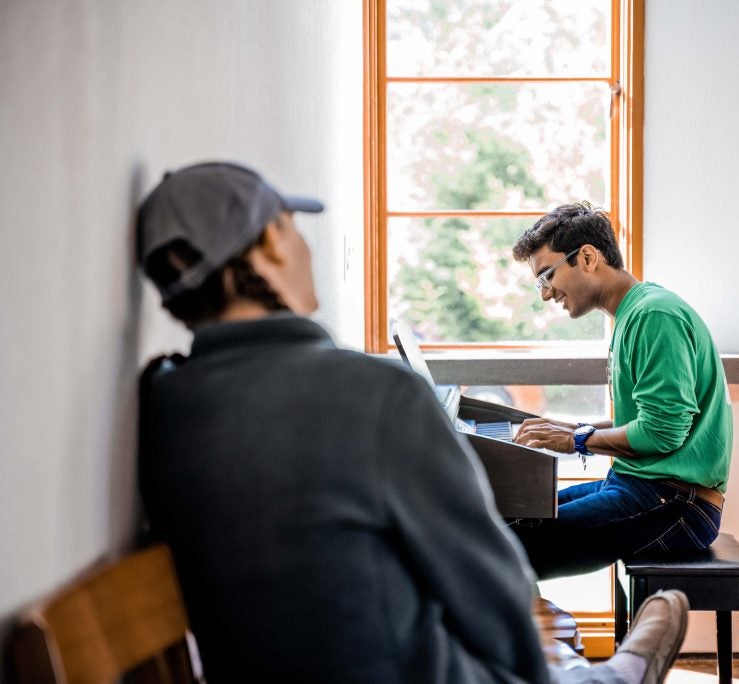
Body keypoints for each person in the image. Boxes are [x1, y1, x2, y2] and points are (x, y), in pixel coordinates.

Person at [136, 162, 689, 683]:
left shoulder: (167, 399)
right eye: (290, 227)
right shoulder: (377, 395)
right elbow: (489, 590)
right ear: (266, 250)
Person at [510, 202, 733, 580]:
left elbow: (662, 433)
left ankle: (530, 640)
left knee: (506, 544)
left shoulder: (654, 316)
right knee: (510, 517)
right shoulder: (634, 313)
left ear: (587, 256)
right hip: (641, 486)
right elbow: (644, 420)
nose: (546, 294)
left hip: (678, 504)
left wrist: (577, 440)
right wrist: (568, 429)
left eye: (547, 276)